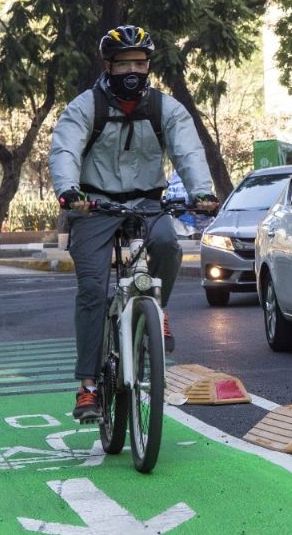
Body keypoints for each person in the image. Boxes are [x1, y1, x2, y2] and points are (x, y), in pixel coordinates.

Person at [49, 25, 220, 420]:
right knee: (92, 289)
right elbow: (65, 149)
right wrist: (70, 190)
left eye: (139, 63)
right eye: (123, 62)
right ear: (108, 65)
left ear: (148, 66)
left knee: (166, 245)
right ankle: (87, 387)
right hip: (93, 204)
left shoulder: (166, 108)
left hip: (146, 202)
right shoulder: (85, 107)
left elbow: (189, 151)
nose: (132, 70)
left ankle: (156, 310)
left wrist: (202, 192)